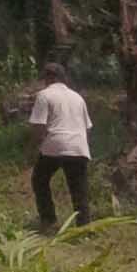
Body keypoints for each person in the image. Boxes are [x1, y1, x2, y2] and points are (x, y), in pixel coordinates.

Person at [24, 59, 94, 230]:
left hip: (55, 144)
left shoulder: (44, 95)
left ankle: (48, 220)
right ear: (63, 78)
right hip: (78, 146)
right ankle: (84, 228)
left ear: (48, 78)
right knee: (79, 188)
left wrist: (33, 148)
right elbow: (88, 128)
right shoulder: (77, 97)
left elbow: (39, 126)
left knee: (39, 180)